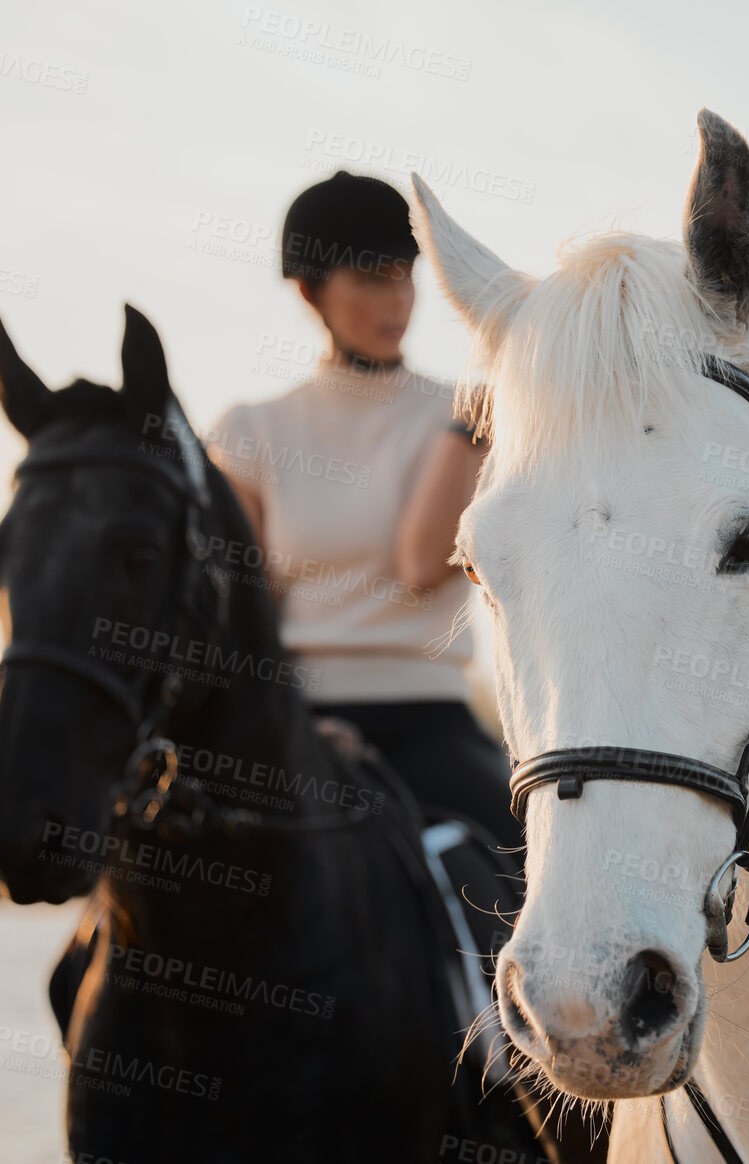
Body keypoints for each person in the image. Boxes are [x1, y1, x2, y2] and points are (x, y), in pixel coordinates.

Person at [209, 170, 519, 851]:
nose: (397, 301)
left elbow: (418, 565)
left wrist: (467, 429)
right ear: (310, 291)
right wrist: (284, 718)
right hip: (292, 721)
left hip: (429, 721)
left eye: (404, 276)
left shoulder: (468, 412)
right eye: (370, 280)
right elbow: (241, 612)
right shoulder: (251, 431)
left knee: (526, 868)